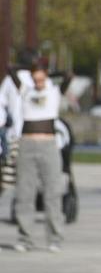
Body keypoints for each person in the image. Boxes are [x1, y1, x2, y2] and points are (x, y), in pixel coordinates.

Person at [10, 63, 65, 251]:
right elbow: (11, 70)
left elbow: (68, 75)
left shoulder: (54, 91)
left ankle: (55, 238)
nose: (39, 83)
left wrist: (46, 69)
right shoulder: (26, 90)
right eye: (36, 79)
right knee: (25, 192)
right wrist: (29, 67)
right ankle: (25, 237)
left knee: (53, 192)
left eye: (42, 79)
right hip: (27, 143)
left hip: (48, 144)